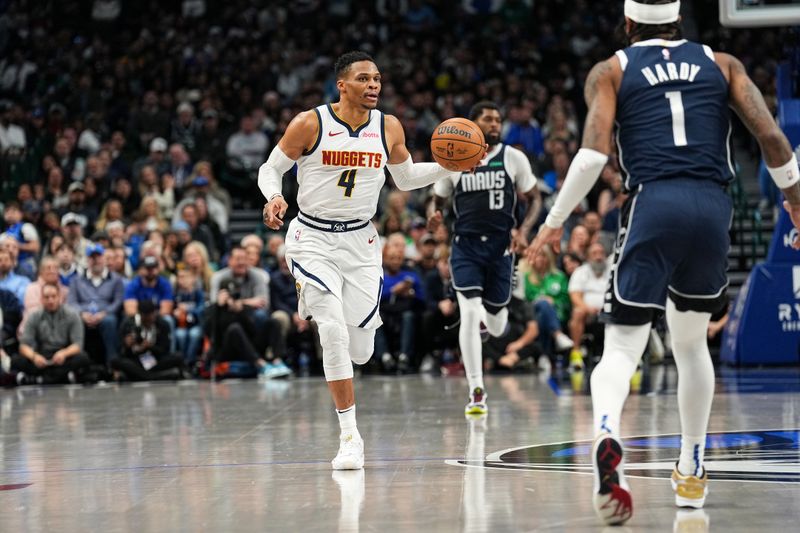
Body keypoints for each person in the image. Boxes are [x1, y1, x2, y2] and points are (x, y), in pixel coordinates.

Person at [527, 0, 800, 525]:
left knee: (623, 345)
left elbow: (591, 155)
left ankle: (607, 434)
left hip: (654, 201)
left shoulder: (612, 69)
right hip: (712, 207)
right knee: (692, 345)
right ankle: (692, 468)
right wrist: (795, 203)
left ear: (628, 24)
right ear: (681, 22)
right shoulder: (722, 64)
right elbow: (771, 137)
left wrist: (554, 221)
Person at [259, 51, 468, 470]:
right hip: (311, 237)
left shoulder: (387, 126)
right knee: (332, 332)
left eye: (377, 79)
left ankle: (345, 332)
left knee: (361, 350)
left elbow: (405, 178)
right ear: (342, 84)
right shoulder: (310, 123)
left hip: (361, 242)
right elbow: (271, 168)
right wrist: (275, 195)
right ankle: (350, 437)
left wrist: (446, 165)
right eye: (364, 79)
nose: (374, 85)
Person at [427, 100, 542, 415]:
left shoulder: (513, 157)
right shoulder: (455, 158)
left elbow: (534, 200)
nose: (495, 124)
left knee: (496, 323)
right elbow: (435, 199)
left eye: (497, 119)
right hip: (464, 247)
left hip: (501, 248)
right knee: (469, 311)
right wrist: (433, 217)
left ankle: (488, 323)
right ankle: (476, 390)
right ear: (473, 124)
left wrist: (524, 229)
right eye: (488, 119)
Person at [13, 282, 91, 384]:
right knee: (15, 360)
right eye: (47, 297)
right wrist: (34, 356)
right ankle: (62, 378)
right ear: (41, 299)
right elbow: (23, 346)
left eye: (54, 296)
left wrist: (64, 353)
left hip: (63, 356)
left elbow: (77, 345)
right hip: (41, 355)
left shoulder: (72, 315)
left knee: (82, 358)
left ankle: (39, 380)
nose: (51, 300)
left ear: (60, 297)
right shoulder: (33, 316)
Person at [68, 243, 126, 365]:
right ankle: (79, 364)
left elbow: (118, 301)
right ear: (87, 260)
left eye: (98, 257)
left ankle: (113, 362)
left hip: (106, 314)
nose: (95, 261)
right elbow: (72, 302)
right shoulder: (76, 280)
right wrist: (82, 313)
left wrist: (104, 313)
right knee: (75, 320)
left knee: (109, 321)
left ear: (104, 258)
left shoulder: (116, 279)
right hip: (83, 315)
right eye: (92, 258)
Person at [112, 299, 183, 381]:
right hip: (135, 359)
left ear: (155, 313)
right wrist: (126, 345)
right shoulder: (128, 324)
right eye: (145, 319)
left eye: (150, 318)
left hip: (155, 359)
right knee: (115, 361)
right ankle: (157, 376)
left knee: (178, 357)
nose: (148, 321)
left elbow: (165, 350)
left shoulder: (162, 324)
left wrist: (150, 346)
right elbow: (120, 350)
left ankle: (138, 376)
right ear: (140, 314)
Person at [567, 242, 611, 368]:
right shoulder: (581, 272)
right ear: (587, 257)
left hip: (609, 311)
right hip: (588, 313)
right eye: (594, 254)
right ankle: (576, 354)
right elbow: (575, 295)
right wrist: (588, 308)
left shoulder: (611, 270)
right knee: (578, 312)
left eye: (601, 253)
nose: (598, 257)